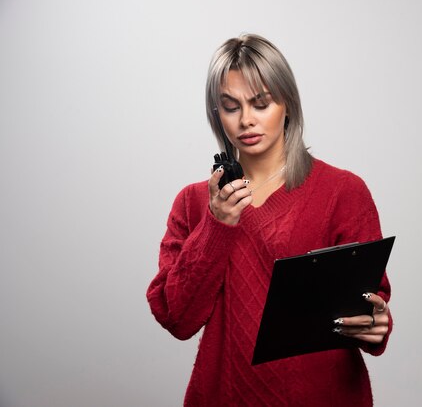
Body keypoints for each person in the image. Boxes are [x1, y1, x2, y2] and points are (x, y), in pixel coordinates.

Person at [146, 34, 392, 407]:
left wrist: (376, 323)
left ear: (287, 104)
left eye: (261, 103)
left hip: (322, 396)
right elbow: (176, 318)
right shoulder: (193, 203)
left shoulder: (343, 191)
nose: (246, 120)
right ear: (217, 113)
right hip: (223, 396)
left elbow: (370, 305)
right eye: (231, 106)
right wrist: (216, 225)